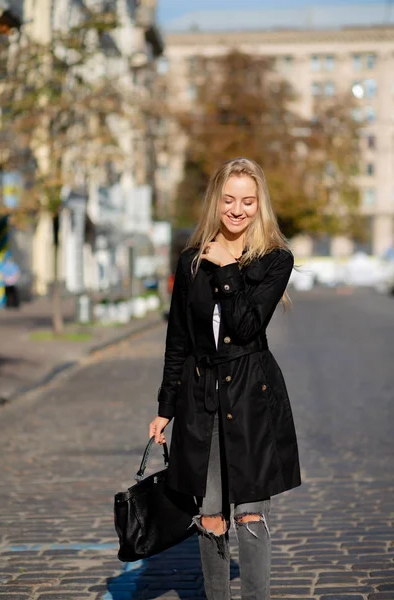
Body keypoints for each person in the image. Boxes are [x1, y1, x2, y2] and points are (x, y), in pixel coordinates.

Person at [149, 157, 301, 600]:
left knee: (250, 514)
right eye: (229, 199)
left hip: (253, 394)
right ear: (216, 201)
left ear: (260, 205)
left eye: (248, 201)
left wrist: (228, 269)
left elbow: (249, 325)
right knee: (211, 515)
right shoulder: (191, 262)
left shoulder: (275, 260)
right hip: (199, 399)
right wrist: (164, 409)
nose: (238, 209)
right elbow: (178, 341)